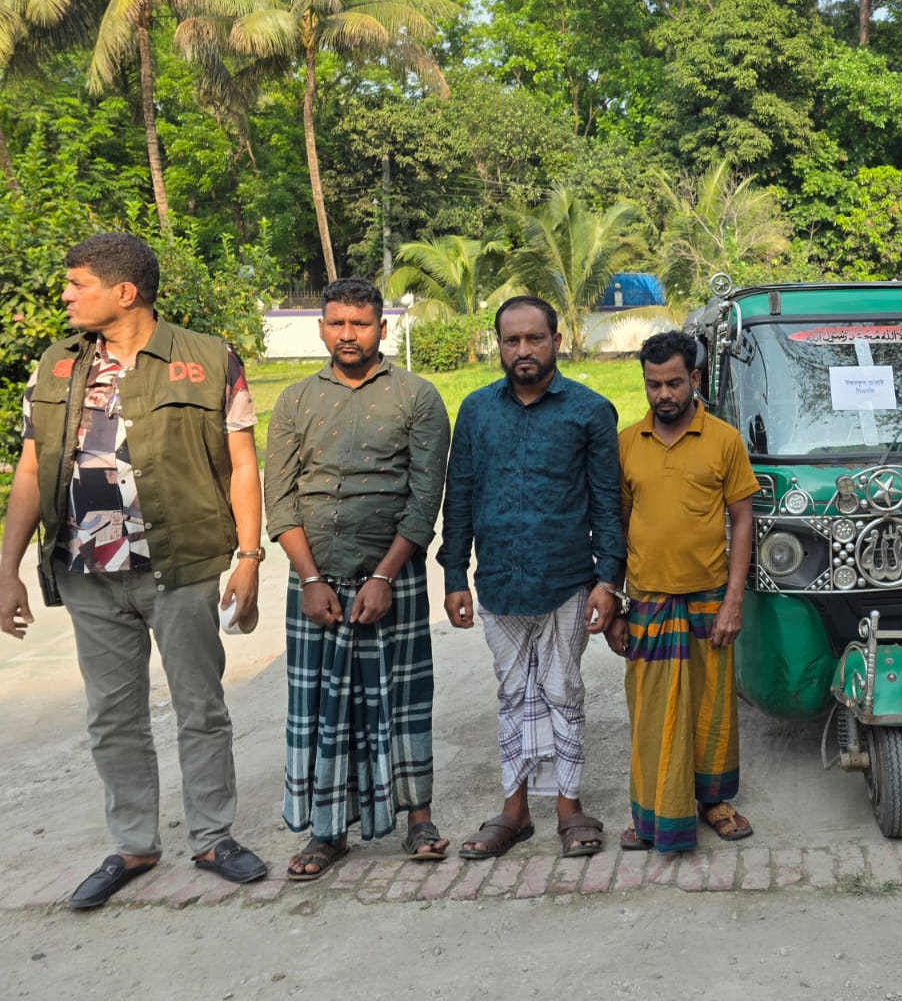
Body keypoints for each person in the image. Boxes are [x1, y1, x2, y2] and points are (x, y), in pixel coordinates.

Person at [0, 233, 268, 909]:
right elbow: (31, 471)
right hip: (86, 570)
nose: (64, 295)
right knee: (112, 715)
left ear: (124, 292)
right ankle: (133, 843)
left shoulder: (208, 359)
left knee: (199, 706)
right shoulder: (56, 366)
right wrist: (8, 570)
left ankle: (212, 836)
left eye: (77, 284)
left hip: (178, 565)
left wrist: (249, 556)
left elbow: (241, 464)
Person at [263, 278, 451, 881]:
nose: (348, 335)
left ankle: (418, 816)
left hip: (391, 579)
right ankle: (327, 831)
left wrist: (384, 575)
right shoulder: (294, 401)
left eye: (360, 324)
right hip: (315, 582)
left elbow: (425, 501)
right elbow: (281, 498)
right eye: (337, 323)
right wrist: (311, 578)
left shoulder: (417, 397)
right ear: (321, 327)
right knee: (321, 706)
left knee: (401, 700)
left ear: (382, 328)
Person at [438, 296, 624, 859]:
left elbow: (607, 503)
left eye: (533, 339)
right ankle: (514, 811)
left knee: (562, 690)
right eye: (511, 340)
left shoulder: (590, 411)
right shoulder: (475, 411)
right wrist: (454, 575)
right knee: (513, 693)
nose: (522, 350)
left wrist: (608, 579)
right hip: (498, 582)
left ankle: (569, 806)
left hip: (567, 580)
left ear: (556, 341)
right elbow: (461, 496)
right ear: (498, 345)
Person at [606, 330, 759, 853]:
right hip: (648, 601)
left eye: (674, 382)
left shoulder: (723, 440)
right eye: (653, 385)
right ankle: (650, 813)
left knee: (711, 711)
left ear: (694, 378)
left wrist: (734, 601)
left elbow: (742, 522)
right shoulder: (627, 443)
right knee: (650, 714)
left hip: (709, 598)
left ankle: (714, 803)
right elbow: (620, 531)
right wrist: (618, 608)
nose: (663, 394)